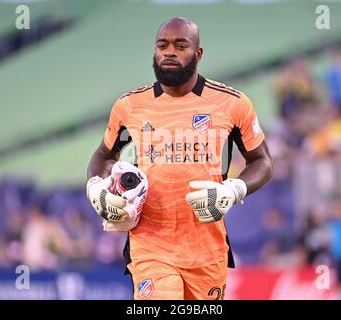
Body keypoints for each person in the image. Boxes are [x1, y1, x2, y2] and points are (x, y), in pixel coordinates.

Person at [86, 17, 273, 300]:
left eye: (180, 45)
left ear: (198, 54)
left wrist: (234, 189)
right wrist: (96, 188)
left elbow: (262, 161)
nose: (169, 52)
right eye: (162, 45)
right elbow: (104, 155)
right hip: (150, 244)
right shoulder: (129, 106)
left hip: (207, 250)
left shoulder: (233, 104)